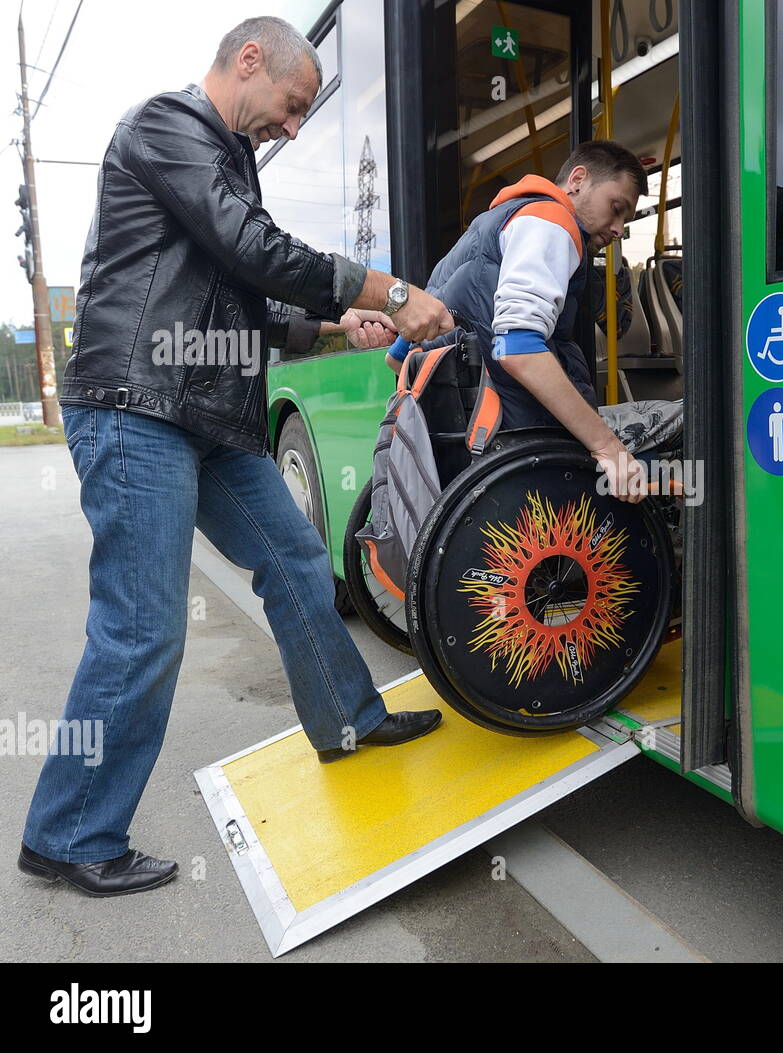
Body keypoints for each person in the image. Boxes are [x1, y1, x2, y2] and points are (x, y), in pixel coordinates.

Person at [19, 16, 457, 899]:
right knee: (142, 626)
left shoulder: (228, 160)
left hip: (209, 417)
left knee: (297, 556)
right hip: (136, 407)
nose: (294, 127)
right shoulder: (165, 126)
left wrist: (339, 318)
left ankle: (346, 718)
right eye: (294, 107)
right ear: (248, 60)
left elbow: (243, 300)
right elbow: (251, 248)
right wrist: (389, 289)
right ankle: (69, 834)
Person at [360, 140, 683, 503]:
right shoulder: (552, 222)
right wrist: (608, 448)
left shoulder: (482, 234)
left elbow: (398, 359)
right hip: (529, 437)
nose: (619, 228)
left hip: (476, 441)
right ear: (577, 180)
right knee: (688, 416)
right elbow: (519, 349)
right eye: (616, 208)